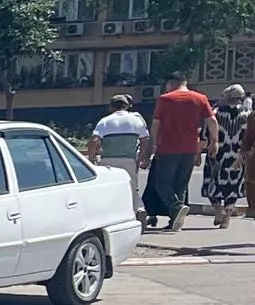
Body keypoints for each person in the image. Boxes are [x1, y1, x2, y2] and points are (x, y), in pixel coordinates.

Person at [144, 78, 215, 233]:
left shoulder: (165, 99)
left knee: (161, 183)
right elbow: (212, 121)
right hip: (190, 148)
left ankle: (176, 207)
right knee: (180, 185)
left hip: (168, 147)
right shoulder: (200, 98)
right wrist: (214, 141)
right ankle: (176, 221)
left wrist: (154, 145)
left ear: (171, 83)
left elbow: (156, 124)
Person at [90, 93, 149, 213]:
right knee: (131, 188)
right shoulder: (136, 120)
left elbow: (94, 140)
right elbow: (145, 140)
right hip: (129, 160)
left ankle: (112, 212)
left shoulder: (105, 121)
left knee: (109, 189)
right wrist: (140, 158)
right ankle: (138, 210)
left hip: (108, 161)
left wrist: (92, 157)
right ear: (126, 106)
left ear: (111, 107)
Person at [210, 84, 252, 230]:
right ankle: (227, 217)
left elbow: (206, 132)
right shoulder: (248, 113)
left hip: (218, 155)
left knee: (213, 183)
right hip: (238, 156)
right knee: (234, 185)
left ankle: (218, 211)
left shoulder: (216, 112)